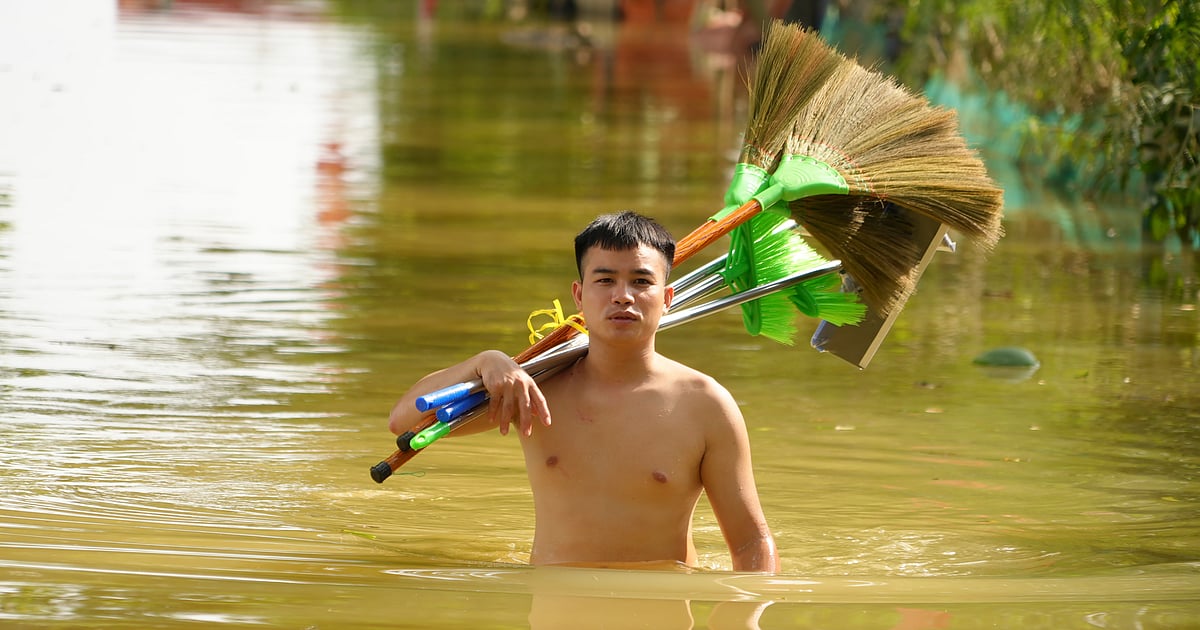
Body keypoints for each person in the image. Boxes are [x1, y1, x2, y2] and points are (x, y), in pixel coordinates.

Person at [388, 211, 779, 573]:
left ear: (667, 298)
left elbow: (750, 542)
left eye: (641, 281)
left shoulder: (705, 404)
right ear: (579, 295)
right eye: (605, 279)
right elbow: (403, 422)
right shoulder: (535, 389)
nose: (622, 295)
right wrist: (483, 362)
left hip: (660, 608)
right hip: (556, 602)